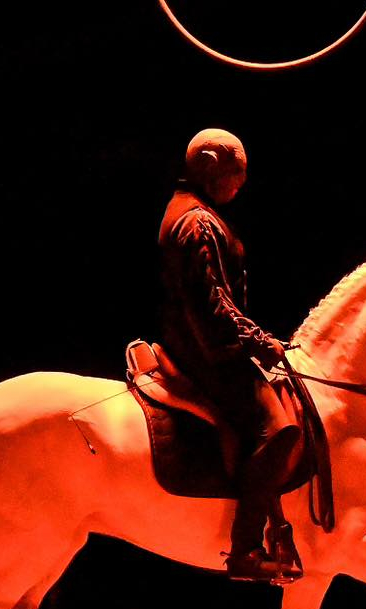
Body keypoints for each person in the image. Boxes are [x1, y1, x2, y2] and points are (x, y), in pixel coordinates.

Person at [158, 129, 301, 583]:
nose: (240, 183)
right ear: (209, 165)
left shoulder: (187, 212)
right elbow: (216, 305)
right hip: (208, 351)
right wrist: (263, 342)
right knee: (280, 430)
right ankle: (245, 550)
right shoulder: (198, 222)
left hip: (196, 341)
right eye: (235, 173)